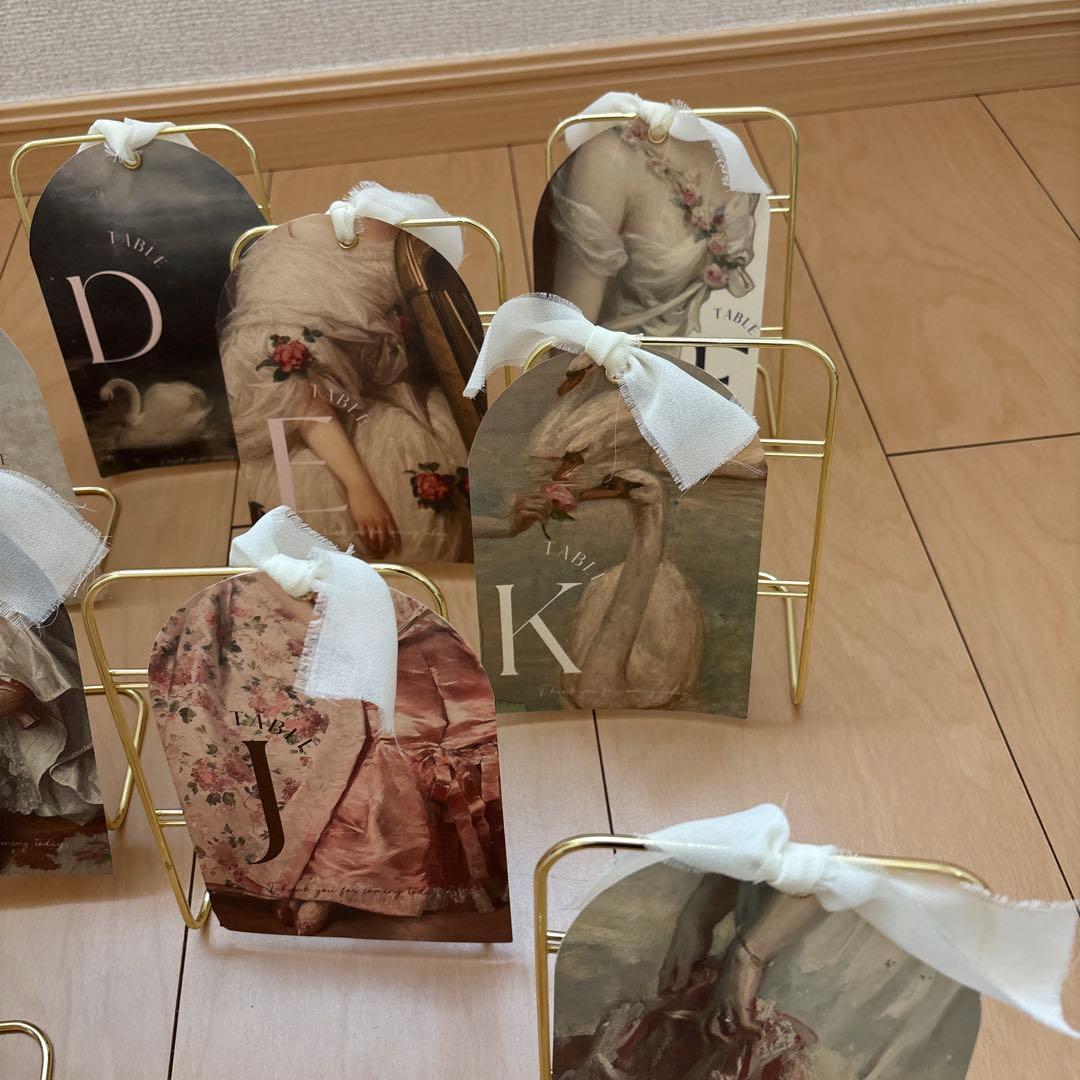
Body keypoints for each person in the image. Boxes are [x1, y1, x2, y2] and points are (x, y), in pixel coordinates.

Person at [220, 216, 473, 562]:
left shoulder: (411, 222)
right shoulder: (284, 266)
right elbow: (297, 398)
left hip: (384, 396)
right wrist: (359, 488)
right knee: (397, 498)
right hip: (309, 428)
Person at [536, 119, 762, 340]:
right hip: (623, 362)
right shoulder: (610, 159)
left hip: (724, 353)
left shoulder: (725, 142)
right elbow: (569, 344)